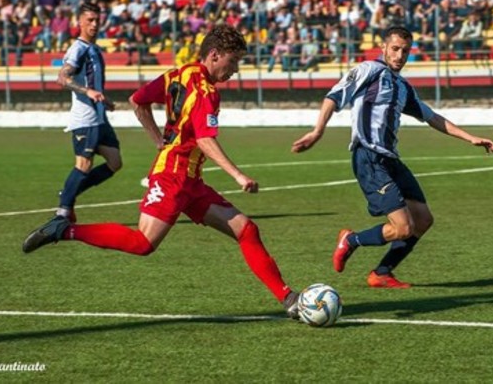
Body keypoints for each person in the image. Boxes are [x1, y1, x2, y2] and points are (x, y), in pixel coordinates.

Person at [23, 25, 300, 319]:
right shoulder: (207, 92)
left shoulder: (178, 74)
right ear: (215, 55)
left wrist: (158, 140)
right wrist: (238, 175)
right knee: (142, 243)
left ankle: (289, 298)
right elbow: (205, 139)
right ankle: (64, 229)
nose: (235, 70)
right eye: (233, 61)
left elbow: (138, 100)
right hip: (173, 178)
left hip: (190, 180)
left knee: (247, 229)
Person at [291, 26, 493, 288]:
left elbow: (431, 117)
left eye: (405, 51)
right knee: (402, 228)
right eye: (396, 48)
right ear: (384, 48)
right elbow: (333, 96)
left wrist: (470, 138)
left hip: (391, 160)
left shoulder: (403, 87)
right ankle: (351, 240)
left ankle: (382, 273)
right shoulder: (369, 70)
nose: (400, 55)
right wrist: (318, 130)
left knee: (422, 220)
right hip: (369, 156)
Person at [53, 1, 122, 222]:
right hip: (85, 120)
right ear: (79, 22)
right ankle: (63, 212)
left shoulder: (94, 49)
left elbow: (94, 84)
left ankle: (70, 192)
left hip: (99, 118)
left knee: (115, 162)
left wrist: (104, 99)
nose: (94, 24)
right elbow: (63, 78)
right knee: (83, 164)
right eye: (90, 20)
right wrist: (88, 92)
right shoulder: (78, 49)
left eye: (97, 20)